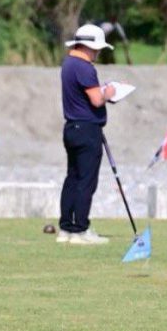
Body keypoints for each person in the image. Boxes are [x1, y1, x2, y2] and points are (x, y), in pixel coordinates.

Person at [58, 23, 115, 245]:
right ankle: (80, 229)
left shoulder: (68, 64)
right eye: (97, 48)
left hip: (72, 128)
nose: (98, 53)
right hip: (87, 129)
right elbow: (96, 99)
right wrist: (108, 92)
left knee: (72, 177)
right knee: (86, 180)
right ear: (90, 47)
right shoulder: (84, 67)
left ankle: (66, 228)